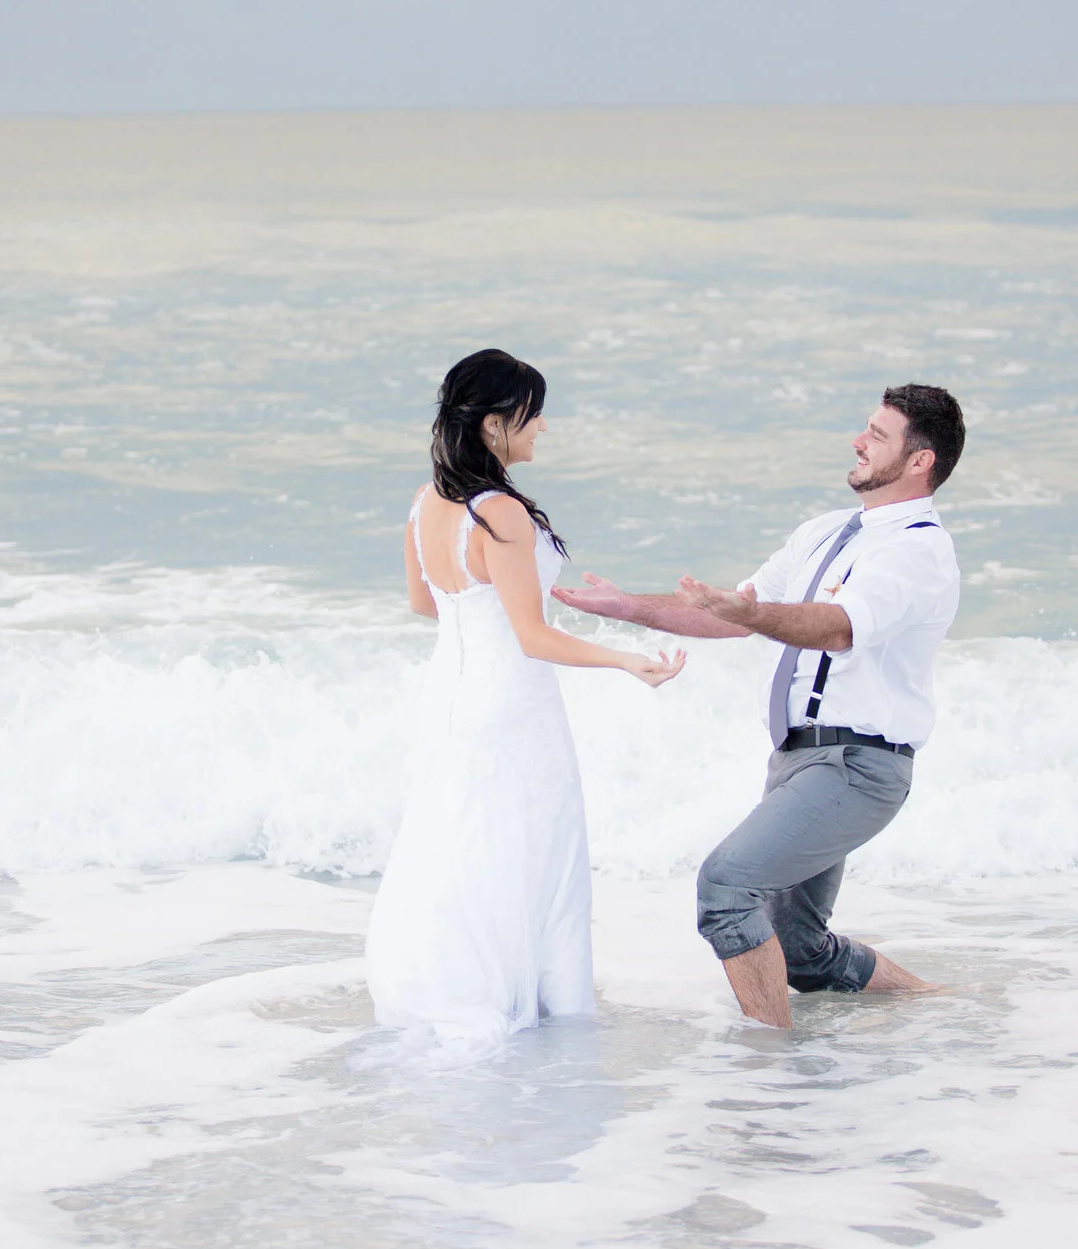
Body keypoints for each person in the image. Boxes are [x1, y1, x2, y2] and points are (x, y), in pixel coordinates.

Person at [552, 384, 964, 1027]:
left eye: (878, 435)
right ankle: (943, 1009)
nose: (858, 440)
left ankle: (768, 1071)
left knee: (726, 887)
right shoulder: (828, 532)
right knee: (802, 953)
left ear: (920, 462)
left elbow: (835, 627)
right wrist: (630, 606)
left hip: (858, 767)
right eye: (866, 427)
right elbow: (734, 614)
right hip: (798, 762)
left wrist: (753, 613)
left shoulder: (918, 551)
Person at [366, 349, 687, 1053]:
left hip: (451, 698)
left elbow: (427, 603)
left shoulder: (427, 503)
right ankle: (547, 1011)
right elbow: (534, 638)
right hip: (513, 706)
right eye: (530, 411)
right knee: (538, 850)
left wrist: (507, 605)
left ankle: (471, 984)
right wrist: (628, 659)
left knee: (465, 845)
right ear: (491, 423)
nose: (542, 424)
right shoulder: (501, 511)